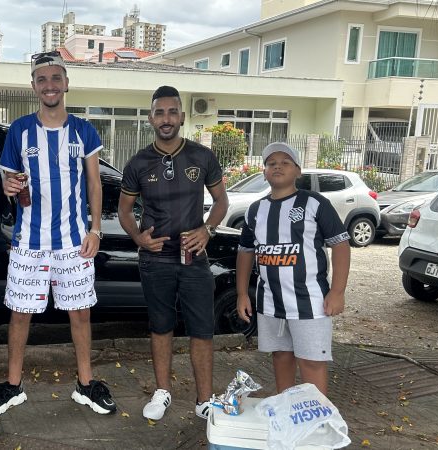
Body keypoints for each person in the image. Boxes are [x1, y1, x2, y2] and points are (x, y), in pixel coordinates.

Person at [0, 51, 116, 416]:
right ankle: (13, 385)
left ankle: (86, 385)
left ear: (66, 83)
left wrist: (96, 230)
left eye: (56, 78)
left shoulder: (84, 130)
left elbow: (94, 185)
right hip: (29, 241)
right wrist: (10, 186)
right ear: (34, 86)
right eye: (42, 79)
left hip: (74, 241)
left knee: (81, 314)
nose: (50, 85)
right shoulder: (19, 130)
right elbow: (10, 181)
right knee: (20, 314)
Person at [117, 85, 229, 422]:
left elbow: (222, 201)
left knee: (202, 330)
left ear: (181, 116)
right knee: (161, 328)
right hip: (155, 261)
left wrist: (207, 229)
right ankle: (162, 391)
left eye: (172, 112)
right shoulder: (138, 162)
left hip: (194, 259)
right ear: (151, 118)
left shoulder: (202, 156)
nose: (166, 118)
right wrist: (139, 238)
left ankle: (204, 400)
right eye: (160, 112)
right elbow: (125, 211)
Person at [236, 142, 350, 396]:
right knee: (281, 356)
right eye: (271, 163)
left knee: (311, 361)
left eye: (285, 162)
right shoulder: (255, 210)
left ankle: (316, 419)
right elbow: (245, 252)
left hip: (310, 302)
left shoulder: (314, 203)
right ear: (264, 172)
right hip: (271, 302)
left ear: (298, 171)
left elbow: (340, 244)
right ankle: (286, 409)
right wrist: (242, 293)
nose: (277, 166)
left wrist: (338, 292)